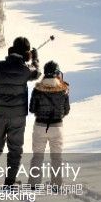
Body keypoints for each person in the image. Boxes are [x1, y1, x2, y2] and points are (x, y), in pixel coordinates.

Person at [0, 37, 41, 189]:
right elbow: (37, 72)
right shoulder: (26, 70)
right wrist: (35, 59)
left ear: (12, 50)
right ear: (26, 54)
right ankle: (9, 182)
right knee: (15, 149)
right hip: (18, 117)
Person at [28, 61, 70, 189]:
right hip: (57, 127)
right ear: (57, 73)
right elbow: (66, 110)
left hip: (40, 126)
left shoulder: (37, 89)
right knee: (56, 157)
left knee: (37, 157)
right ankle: (56, 184)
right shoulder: (63, 89)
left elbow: (32, 109)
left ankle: (34, 185)